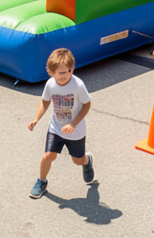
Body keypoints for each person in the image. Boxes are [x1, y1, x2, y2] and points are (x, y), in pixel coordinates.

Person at [27, 48, 94, 199]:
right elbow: (45, 102)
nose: (65, 75)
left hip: (75, 131)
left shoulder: (78, 85)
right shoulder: (50, 84)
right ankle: (42, 181)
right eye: (61, 73)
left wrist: (73, 124)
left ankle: (87, 161)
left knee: (78, 160)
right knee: (48, 155)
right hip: (56, 128)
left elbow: (86, 105)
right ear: (52, 72)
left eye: (68, 71)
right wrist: (36, 118)